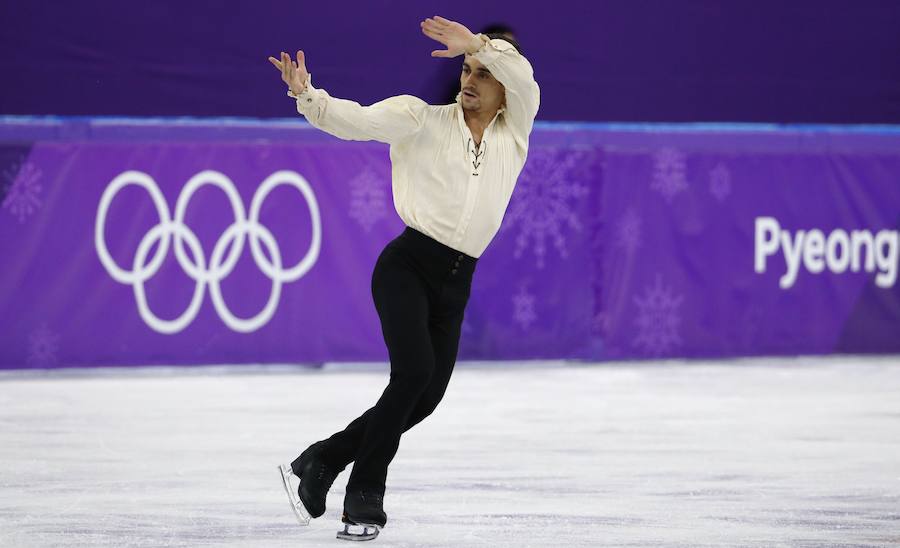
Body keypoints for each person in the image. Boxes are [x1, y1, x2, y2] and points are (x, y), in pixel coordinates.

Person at [268, 15, 539, 541]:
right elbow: (357, 121)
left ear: (504, 87)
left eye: (483, 73)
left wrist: (483, 45)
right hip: (407, 268)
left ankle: (322, 459)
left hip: (458, 283)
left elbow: (526, 79)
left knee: (426, 397)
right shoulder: (420, 119)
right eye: (466, 69)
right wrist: (309, 97)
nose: (469, 79)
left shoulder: (517, 131)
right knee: (413, 373)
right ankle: (365, 497)